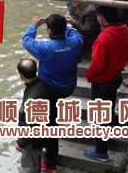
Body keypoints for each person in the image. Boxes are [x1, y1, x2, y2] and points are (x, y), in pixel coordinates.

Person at [22, 14, 83, 173]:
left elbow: (26, 41)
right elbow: (75, 33)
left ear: (48, 30)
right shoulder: (76, 42)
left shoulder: (45, 48)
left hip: (50, 92)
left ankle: (50, 162)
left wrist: (34, 25)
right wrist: (65, 24)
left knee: (51, 125)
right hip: (69, 87)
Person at [83, 6, 128, 162]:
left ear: (101, 17)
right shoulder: (125, 31)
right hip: (116, 77)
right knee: (109, 106)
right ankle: (116, 123)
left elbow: (97, 65)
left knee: (100, 117)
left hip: (102, 81)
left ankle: (101, 151)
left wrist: (89, 75)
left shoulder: (104, 37)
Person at [15, 59, 51, 173]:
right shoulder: (42, 83)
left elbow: (32, 126)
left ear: (21, 76)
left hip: (32, 140)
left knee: (29, 168)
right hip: (41, 134)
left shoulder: (34, 97)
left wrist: (21, 143)